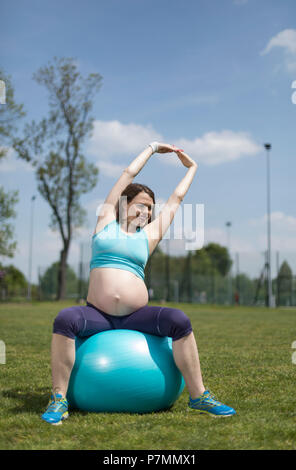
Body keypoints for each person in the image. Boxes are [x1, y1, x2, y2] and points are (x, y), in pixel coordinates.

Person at [41, 142, 236, 425]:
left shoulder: (149, 236)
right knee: (65, 319)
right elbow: (127, 173)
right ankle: (59, 397)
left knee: (179, 320)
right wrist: (152, 148)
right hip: (97, 315)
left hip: (137, 316)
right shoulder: (105, 222)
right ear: (123, 204)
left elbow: (177, 199)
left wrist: (192, 167)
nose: (146, 213)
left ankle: (199, 395)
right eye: (141, 206)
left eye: (150, 209)